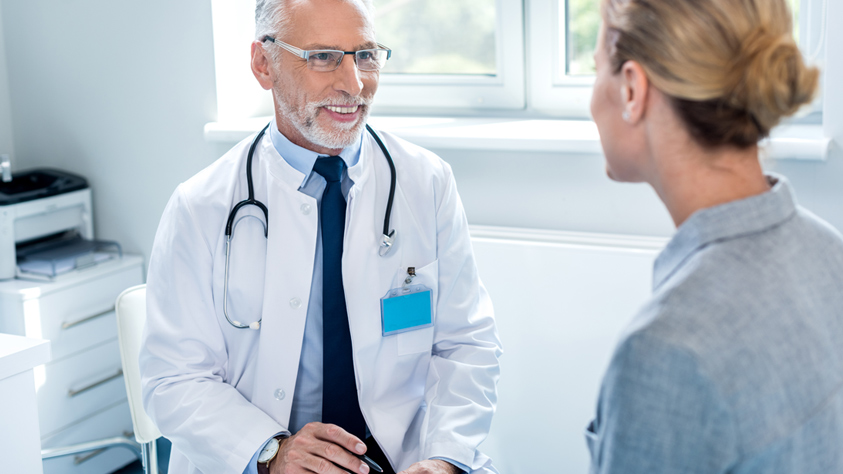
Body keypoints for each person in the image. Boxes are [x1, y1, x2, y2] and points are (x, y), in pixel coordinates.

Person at [139, 1, 502, 473]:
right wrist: (271, 452)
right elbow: (172, 379)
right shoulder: (200, 206)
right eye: (324, 56)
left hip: (402, 457)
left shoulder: (426, 183)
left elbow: (467, 343)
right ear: (263, 63)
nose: (354, 85)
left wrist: (446, 458)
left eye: (366, 55)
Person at [586, 0, 843, 472]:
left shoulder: (665, 351)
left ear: (631, 90)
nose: (590, 99)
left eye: (596, 69)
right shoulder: (829, 252)